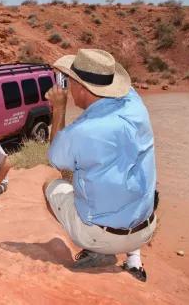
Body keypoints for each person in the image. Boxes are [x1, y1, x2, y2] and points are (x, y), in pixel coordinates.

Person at [43, 48, 157, 282]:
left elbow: (55, 158)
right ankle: (134, 258)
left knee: (51, 183)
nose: (69, 88)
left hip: (104, 237)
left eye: (71, 82)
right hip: (146, 227)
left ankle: (98, 250)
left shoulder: (83, 132)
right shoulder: (135, 104)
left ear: (81, 88)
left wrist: (59, 109)